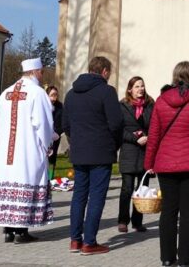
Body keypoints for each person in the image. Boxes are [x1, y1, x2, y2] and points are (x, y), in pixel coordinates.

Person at [145, 61, 189, 267]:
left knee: (168, 211)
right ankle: (185, 260)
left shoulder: (160, 101)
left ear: (174, 76)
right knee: (188, 213)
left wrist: (149, 162)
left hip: (166, 163)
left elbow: (154, 136)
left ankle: (167, 258)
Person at [0, 58, 55, 243]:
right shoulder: (37, 93)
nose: (42, 76)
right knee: (26, 179)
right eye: (41, 72)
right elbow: (43, 123)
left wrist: (5, 141)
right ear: (34, 71)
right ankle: (21, 231)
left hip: (7, 151)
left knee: (9, 182)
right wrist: (47, 143)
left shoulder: (6, 92)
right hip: (28, 149)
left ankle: (8, 230)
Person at [63, 56, 124, 255]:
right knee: (96, 196)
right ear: (104, 71)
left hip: (79, 151)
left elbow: (65, 125)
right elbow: (116, 123)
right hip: (101, 151)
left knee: (79, 196)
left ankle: (75, 240)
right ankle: (89, 242)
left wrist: (76, 141)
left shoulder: (71, 94)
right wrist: (114, 144)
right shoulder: (106, 91)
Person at [118, 76, 154, 233]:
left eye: (142, 86)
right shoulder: (122, 106)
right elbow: (119, 129)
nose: (141, 89)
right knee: (127, 188)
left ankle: (137, 221)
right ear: (130, 89)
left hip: (146, 151)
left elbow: (155, 126)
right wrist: (135, 138)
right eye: (137, 86)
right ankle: (123, 220)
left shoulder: (150, 105)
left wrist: (149, 137)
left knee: (143, 188)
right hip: (129, 151)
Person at [46, 86, 64, 179]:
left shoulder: (60, 106)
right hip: (45, 135)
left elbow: (63, 122)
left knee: (52, 158)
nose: (54, 97)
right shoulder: (43, 105)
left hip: (55, 136)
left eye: (56, 95)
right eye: (52, 95)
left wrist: (58, 133)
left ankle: (50, 178)